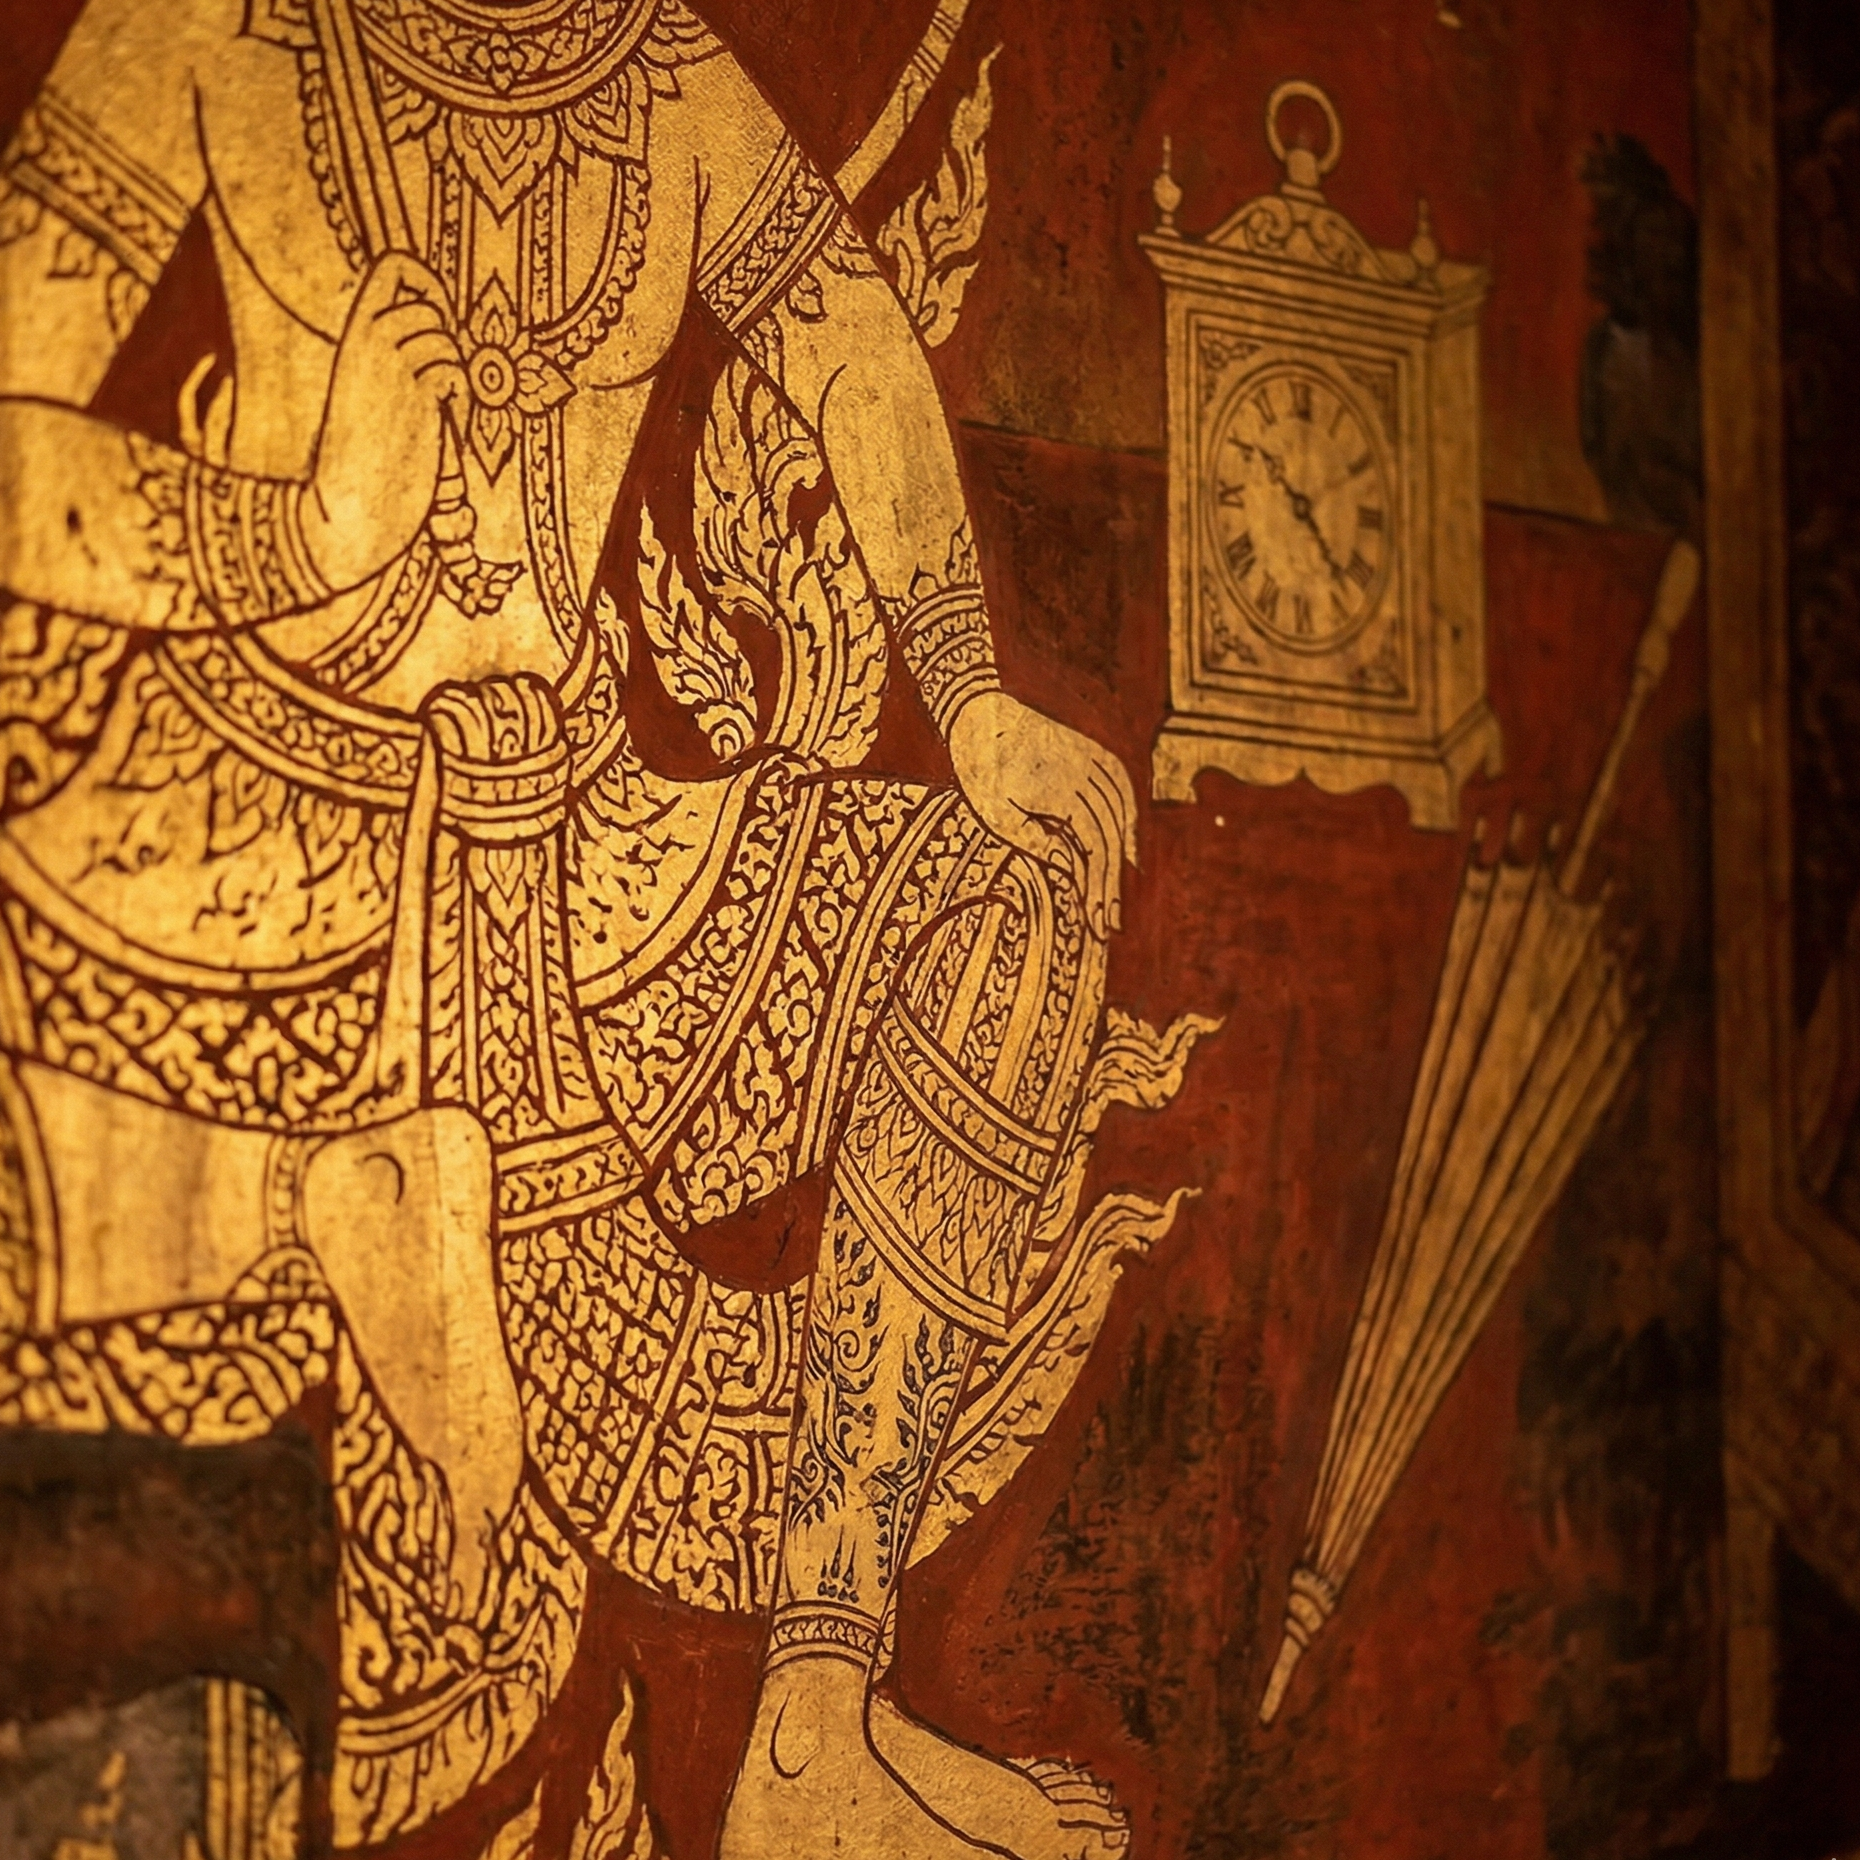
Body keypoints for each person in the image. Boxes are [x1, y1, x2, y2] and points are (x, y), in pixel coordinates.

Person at [0, 2, 1138, 1853]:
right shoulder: (217, 29)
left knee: (1001, 895)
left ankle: (818, 1717)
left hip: (579, 848)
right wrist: (303, 537)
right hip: (276, 824)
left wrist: (972, 691)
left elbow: (850, 338)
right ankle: (315, 1202)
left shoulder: (659, 73)